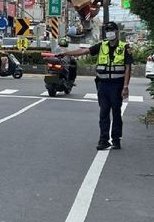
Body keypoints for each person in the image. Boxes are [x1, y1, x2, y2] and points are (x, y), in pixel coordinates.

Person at [57, 21, 133, 150]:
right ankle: (103, 140)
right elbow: (84, 51)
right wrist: (66, 53)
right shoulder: (101, 46)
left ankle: (116, 139)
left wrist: (125, 87)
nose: (109, 33)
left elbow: (128, 68)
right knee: (103, 113)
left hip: (117, 85)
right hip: (103, 85)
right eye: (107, 30)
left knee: (116, 112)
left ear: (116, 32)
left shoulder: (124, 47)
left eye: (111, 30)